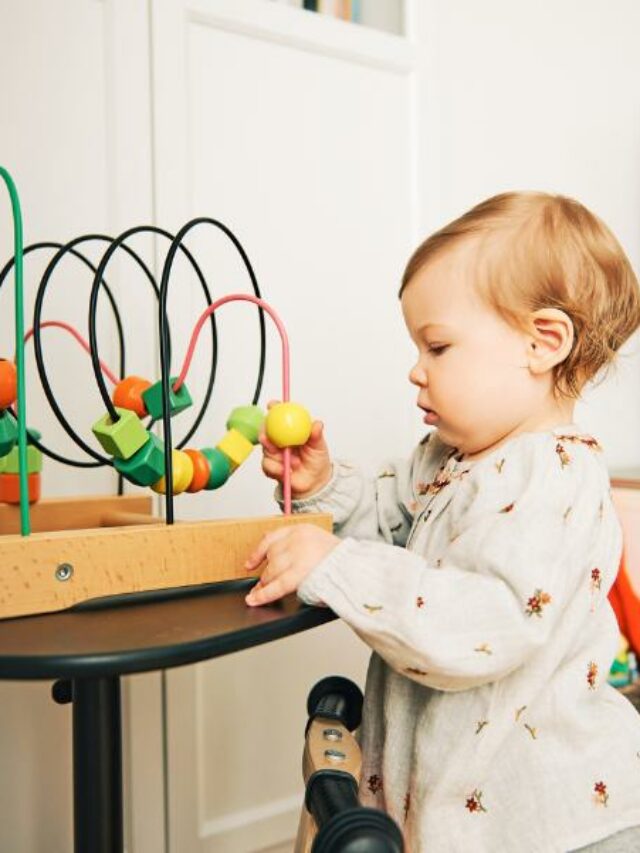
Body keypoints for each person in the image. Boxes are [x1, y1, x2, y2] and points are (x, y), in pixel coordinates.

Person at [244, 192, 640, 852]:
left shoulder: (555, 477)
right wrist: (325, 488)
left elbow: (484, 620)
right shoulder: (450, 457)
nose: (415, 370)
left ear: (542, 343)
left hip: (550, 826)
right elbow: (390, 531)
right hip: (456, 800)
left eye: (438, 345)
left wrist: (333, 565)